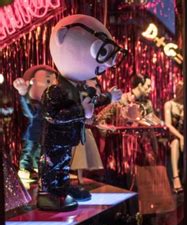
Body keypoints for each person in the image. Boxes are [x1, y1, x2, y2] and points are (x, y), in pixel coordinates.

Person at [38, 14, 126, 211]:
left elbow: (92, 100)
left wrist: (109, 98)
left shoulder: (77, 89)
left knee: (64, 166)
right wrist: (81, 112)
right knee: (52, 165)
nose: (106, 65)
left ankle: (61, 187)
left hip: (67, 139)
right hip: (54, 140)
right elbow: (52, 115)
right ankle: (48, 193)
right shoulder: (55, 90)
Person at [70, 78, 122, 184]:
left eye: (96, 85)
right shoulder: (81, 94)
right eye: (93, 84)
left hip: (86, 131)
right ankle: (77, 177)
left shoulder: (91, 98)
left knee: (83, 156)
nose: (95, 86)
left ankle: (80, 177)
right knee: (79, 156)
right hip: (79, 131)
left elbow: (95, 117)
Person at [13, 65, 57, 184]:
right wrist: (23, 94)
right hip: (32, 133)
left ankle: (37, 169)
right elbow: (29, 112)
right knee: (29, 151)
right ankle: (24, 169)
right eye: (47, 81)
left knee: (39, 152)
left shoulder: (48, 106)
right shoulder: (36, 106)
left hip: (43, 135)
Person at [164, 81, 184, 193]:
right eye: (178, 89)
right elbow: (168, 125)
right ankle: (176, 178)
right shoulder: (169, 104)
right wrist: (181, 137)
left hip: (185, 136)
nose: (179, 92)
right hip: (173, 136)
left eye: (182, 90)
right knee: (175, 142)